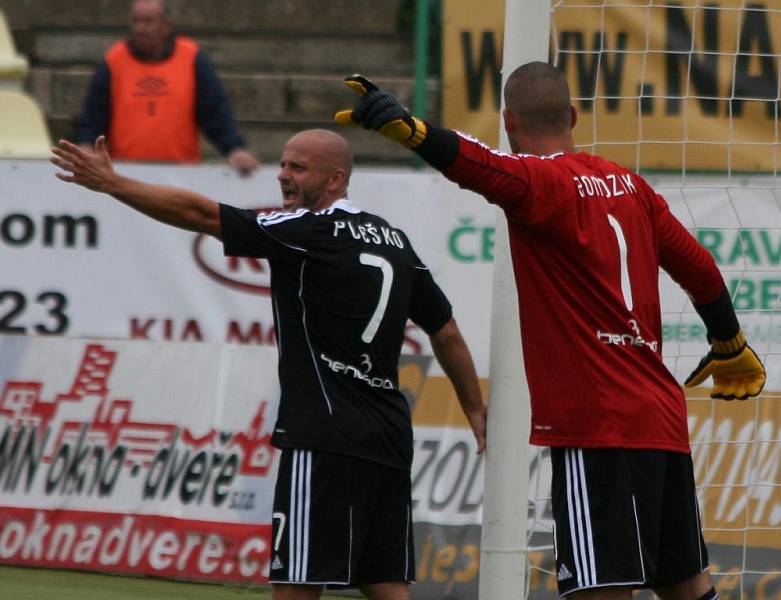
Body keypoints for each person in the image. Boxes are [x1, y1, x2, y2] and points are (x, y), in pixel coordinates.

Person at [335, 66, 766, 600]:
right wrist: (728, 343)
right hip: (660, 419)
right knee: (686, 586)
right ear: (574, 117)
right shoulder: (632, 186)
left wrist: (413, 131)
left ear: (508, 121)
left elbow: (481, 166)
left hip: (596, 426)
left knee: (600, 587)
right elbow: (700, 268)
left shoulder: (543, 183)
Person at [51, 129, 487, 600]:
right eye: (283, 164)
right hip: (388, 436)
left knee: (297, 579)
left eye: (298, 167)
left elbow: (200, 215)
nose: (282, 175)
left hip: (323, 435)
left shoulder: (307, 232)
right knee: (384, 581)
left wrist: (113, 183)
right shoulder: (395, 242)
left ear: (336, 178)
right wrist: (476, 409)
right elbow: (447, 333)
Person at [76, 0, 258, 176]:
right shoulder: (115, 60)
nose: (140, 28)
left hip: (181, 173)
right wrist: (86, 144)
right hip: (123, 173)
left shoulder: (191, 58)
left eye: (148, 22)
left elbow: (214, 111)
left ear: (166, 26)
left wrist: (234, 149)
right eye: (136, 21)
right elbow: (94, 113)